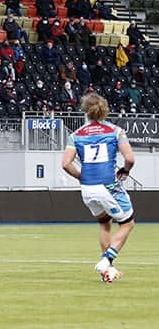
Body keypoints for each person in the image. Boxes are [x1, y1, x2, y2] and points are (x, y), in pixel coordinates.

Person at [61, 93, 136, 283]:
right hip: (108, 185)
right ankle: (107, 260)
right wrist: (125, 172)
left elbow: (66, 164)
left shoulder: (75, 135)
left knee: (105, 224)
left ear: (85, 111)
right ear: (104, 110)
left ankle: (108, 271)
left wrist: (81, 176)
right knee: (127, 223)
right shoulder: (115, 131)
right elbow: (129, 159)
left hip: (87, 188)